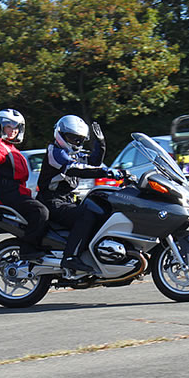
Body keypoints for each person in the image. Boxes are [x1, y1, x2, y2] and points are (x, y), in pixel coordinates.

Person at [36, 115, 122, 272]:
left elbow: (93, 161)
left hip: (65, 200)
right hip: (52, 201)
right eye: (72, 138)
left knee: (100, 208)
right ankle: (70, 257)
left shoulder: (73, 153)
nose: (76, 142)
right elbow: (75, 169)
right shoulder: (55, 152)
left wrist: (101, 144)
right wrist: (107, 172)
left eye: (79, 139)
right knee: (86, 215)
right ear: (60, 134)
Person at [0, 109, 50, 260]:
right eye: (8, 126)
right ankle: (28, 250)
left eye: (16, 127)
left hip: (20, 192)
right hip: (8, 192)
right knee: (40, 212)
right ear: (0, 127)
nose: (13, 130)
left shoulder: (12, 149)